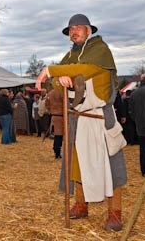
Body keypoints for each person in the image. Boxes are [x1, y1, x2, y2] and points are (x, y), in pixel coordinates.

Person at [35, 14, 127, 231]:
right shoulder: (70, 56)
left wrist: (51, 71)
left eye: (78, 27)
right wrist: (60, 79)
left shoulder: (99, 49)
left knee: (110, 165)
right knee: (77, 163)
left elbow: (87, 70)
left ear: (88, 30)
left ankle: (115, 213)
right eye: (70, 29)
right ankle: (81, 204)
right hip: (78, 117)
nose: (73, 31)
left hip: (100, 115)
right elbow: (58, 85)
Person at [44, 88, 64, 159]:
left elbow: (46, 104)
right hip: (61, 117)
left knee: (57, 135)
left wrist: (51, 110)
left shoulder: (50, 93)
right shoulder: (63, 92)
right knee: (59, 136)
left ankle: (56, 151)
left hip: (54, 116)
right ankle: (57, 152)